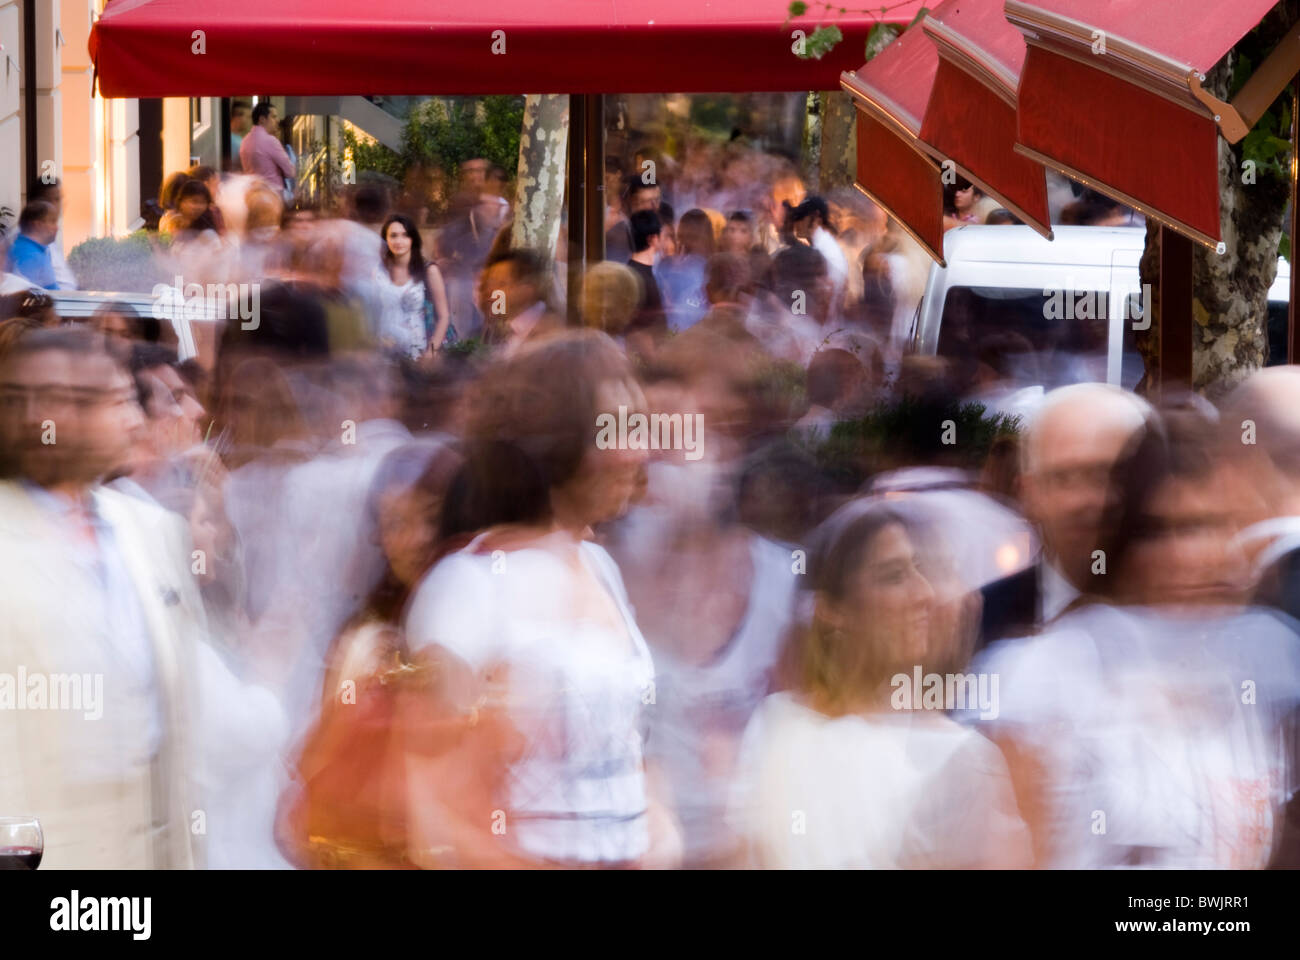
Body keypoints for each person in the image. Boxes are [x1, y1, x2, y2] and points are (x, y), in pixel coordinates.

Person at [405, 330, 683, 868]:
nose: (640, 451)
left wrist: (659, 833)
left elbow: (625, 752)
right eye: (617, 430)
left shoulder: (598, 565)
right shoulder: (467, 588)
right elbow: (430, 810)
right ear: (555, 446)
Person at [726, 503, 1031, 868]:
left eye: (925, 571)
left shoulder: (963, 757)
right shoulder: (776, 724)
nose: (924, 594)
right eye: (893, 576)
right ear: (833, 611)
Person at [0, 327, 206, 868]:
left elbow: (182, 732)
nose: (136, 421)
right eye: (117, 402)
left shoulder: (154, 530)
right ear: (51, 414)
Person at [978, 383, 1152, 651]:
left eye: (1113, 474)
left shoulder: (1194, 608)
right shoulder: (979, 624)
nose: (1090, 499)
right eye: (1064, 478)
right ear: (1028, 493)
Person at [376, 213, 452, 359]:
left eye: (405, 235)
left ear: (413, 239)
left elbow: (444, 316)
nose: (399, 241)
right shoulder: (379, 271)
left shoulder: (429, 270)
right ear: (385, 239)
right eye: (393, 235)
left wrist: (431, 351)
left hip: (418, 351)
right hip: (384, 351)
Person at [477, 248, 563, 358]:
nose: (490, 291)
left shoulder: (551, 335)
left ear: (527, 289)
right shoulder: (513, 330)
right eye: (490, 283)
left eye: (501, 284)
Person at [789, 196, 849, 323]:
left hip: (820, 328)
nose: (796, 222)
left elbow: (819, 300)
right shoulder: (823, 246)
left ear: (816, 219)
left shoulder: (824, 251)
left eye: (801, 217)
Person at [655, 208, 713, 333]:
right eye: (688, 236)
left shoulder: (707, 266)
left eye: (694, 237)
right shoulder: (670, 266)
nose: (690, 241)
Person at [240, 102, 295, 194]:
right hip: (273, 195)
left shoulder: (245, 141)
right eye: (273, 117)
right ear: (262, 119)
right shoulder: (271, 141)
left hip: (252, 194)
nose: (277, 120)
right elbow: (290, 172)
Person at [5, 201, 61, 291]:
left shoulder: (39, 250)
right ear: (37, 225)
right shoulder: (28, 256)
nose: (57, 227)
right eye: (52, 221)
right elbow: (25, 298)